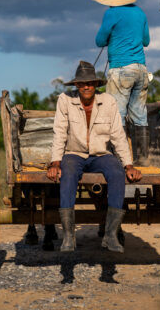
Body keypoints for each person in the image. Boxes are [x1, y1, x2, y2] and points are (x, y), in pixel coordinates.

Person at [47, 61, 142, 253]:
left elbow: (117, 135)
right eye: (82, 83)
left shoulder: (108, 101)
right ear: (76, 85)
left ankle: (111, 235)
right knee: (68, 173)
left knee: (116, 173)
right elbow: (60, 132)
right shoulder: (65, 100)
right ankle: (68, 236)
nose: (86, 86)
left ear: (96, 85)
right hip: (74, 154)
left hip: (100, 155)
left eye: (90, 83)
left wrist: (128, 165)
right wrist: (55, 162)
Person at [91, 0, 151, 166]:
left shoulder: (111, 13)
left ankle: (119, 161)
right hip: (141, 69)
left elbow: (100, 40)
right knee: (139, 115)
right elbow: (146, 41)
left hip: (121, 69)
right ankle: (142, 160)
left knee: (116, 115)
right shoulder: (140, 12)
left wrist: (114, 36)